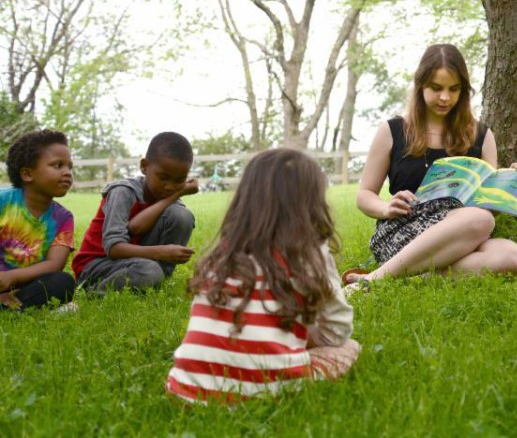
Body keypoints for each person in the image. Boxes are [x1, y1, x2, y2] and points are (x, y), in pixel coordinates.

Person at [166, 148, 360, 403]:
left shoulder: (221, 255)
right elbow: (337, 331)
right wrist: (307, 335)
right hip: (268, 390)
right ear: (312, 204)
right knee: (349, 348)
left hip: (188, 389)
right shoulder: (310, 255)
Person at [343, 43, 517, 290]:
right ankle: (375, 280)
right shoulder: (393, 130)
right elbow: (364, 195)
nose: (445, 97)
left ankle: (400, 281)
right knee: (480, 219)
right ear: (420, 86)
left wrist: (511, 185)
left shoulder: (481, 135)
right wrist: (386, 208)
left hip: (460, 235)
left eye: (454, 89)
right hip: (405, 229)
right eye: (436, 88)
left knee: (511, 255)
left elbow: (488, 207)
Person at [72, 131, 198, 294]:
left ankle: (156, 282)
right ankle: (92, 295)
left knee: (182, 216)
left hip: (136, 263)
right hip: (97, 264)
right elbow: (114, 248)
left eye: (179, 181)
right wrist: (162, 252)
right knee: (149, 270)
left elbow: (136, 227)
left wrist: (174, 197)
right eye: (163, 177)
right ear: (144, 166)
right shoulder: (123, 192)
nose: (170, 187)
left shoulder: (166, 196)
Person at [1, 129, 77, 311]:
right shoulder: (4, 202)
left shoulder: (64, 218)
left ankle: (14, 306)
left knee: (63, 282)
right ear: (27, 174)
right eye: (58, 165)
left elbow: (54, 264)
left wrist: (11, 279)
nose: (67, 172)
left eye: (69, 167)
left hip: (22, 284)